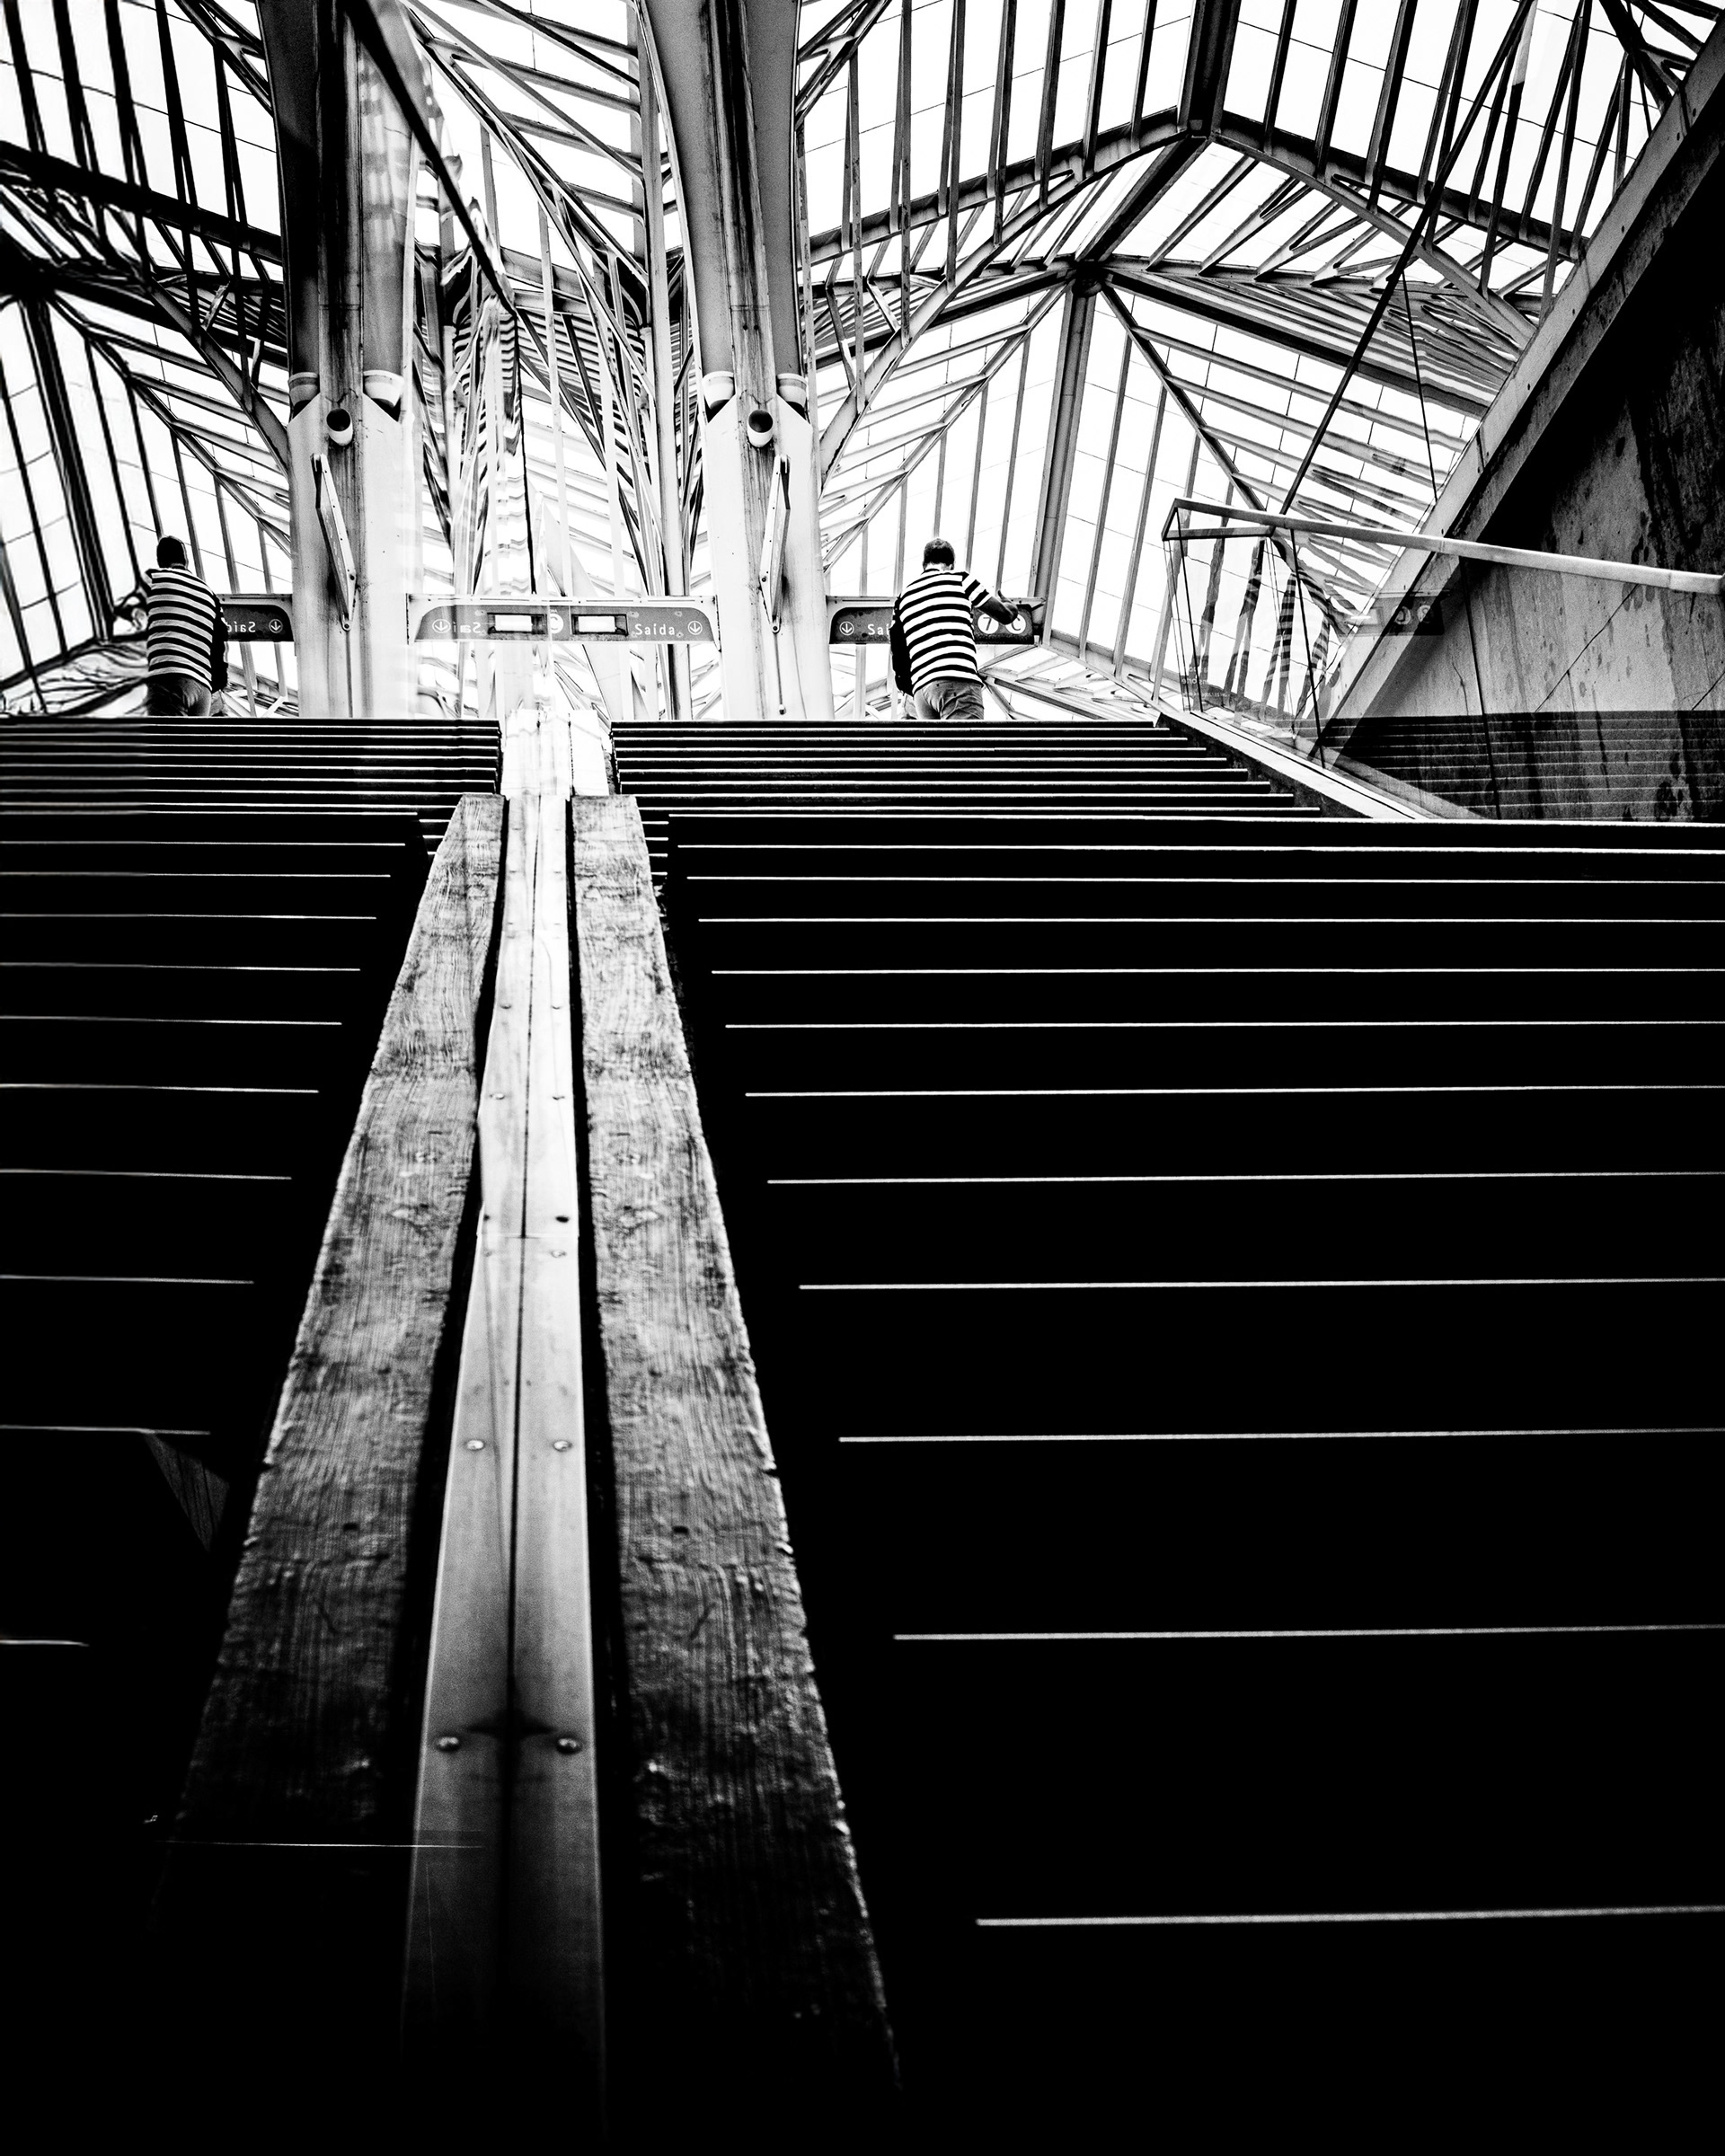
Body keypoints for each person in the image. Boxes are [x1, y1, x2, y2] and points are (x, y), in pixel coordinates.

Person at [891, 537, 1019, 721]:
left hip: (922, 690)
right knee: (965, 739)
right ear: (951, 564)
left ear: (924, 564)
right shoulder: (960, 579)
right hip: (956, 679)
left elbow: (897, 645)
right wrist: (1011, 606)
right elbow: (1005, 615)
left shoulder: (904, 596)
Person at [143, 536, 226, 715]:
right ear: (185, 559)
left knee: (164, 734)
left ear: (160, 561)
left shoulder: (153, 579)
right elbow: (219, 646)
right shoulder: (209, 594)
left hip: (169, 678)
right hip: (202, 688)